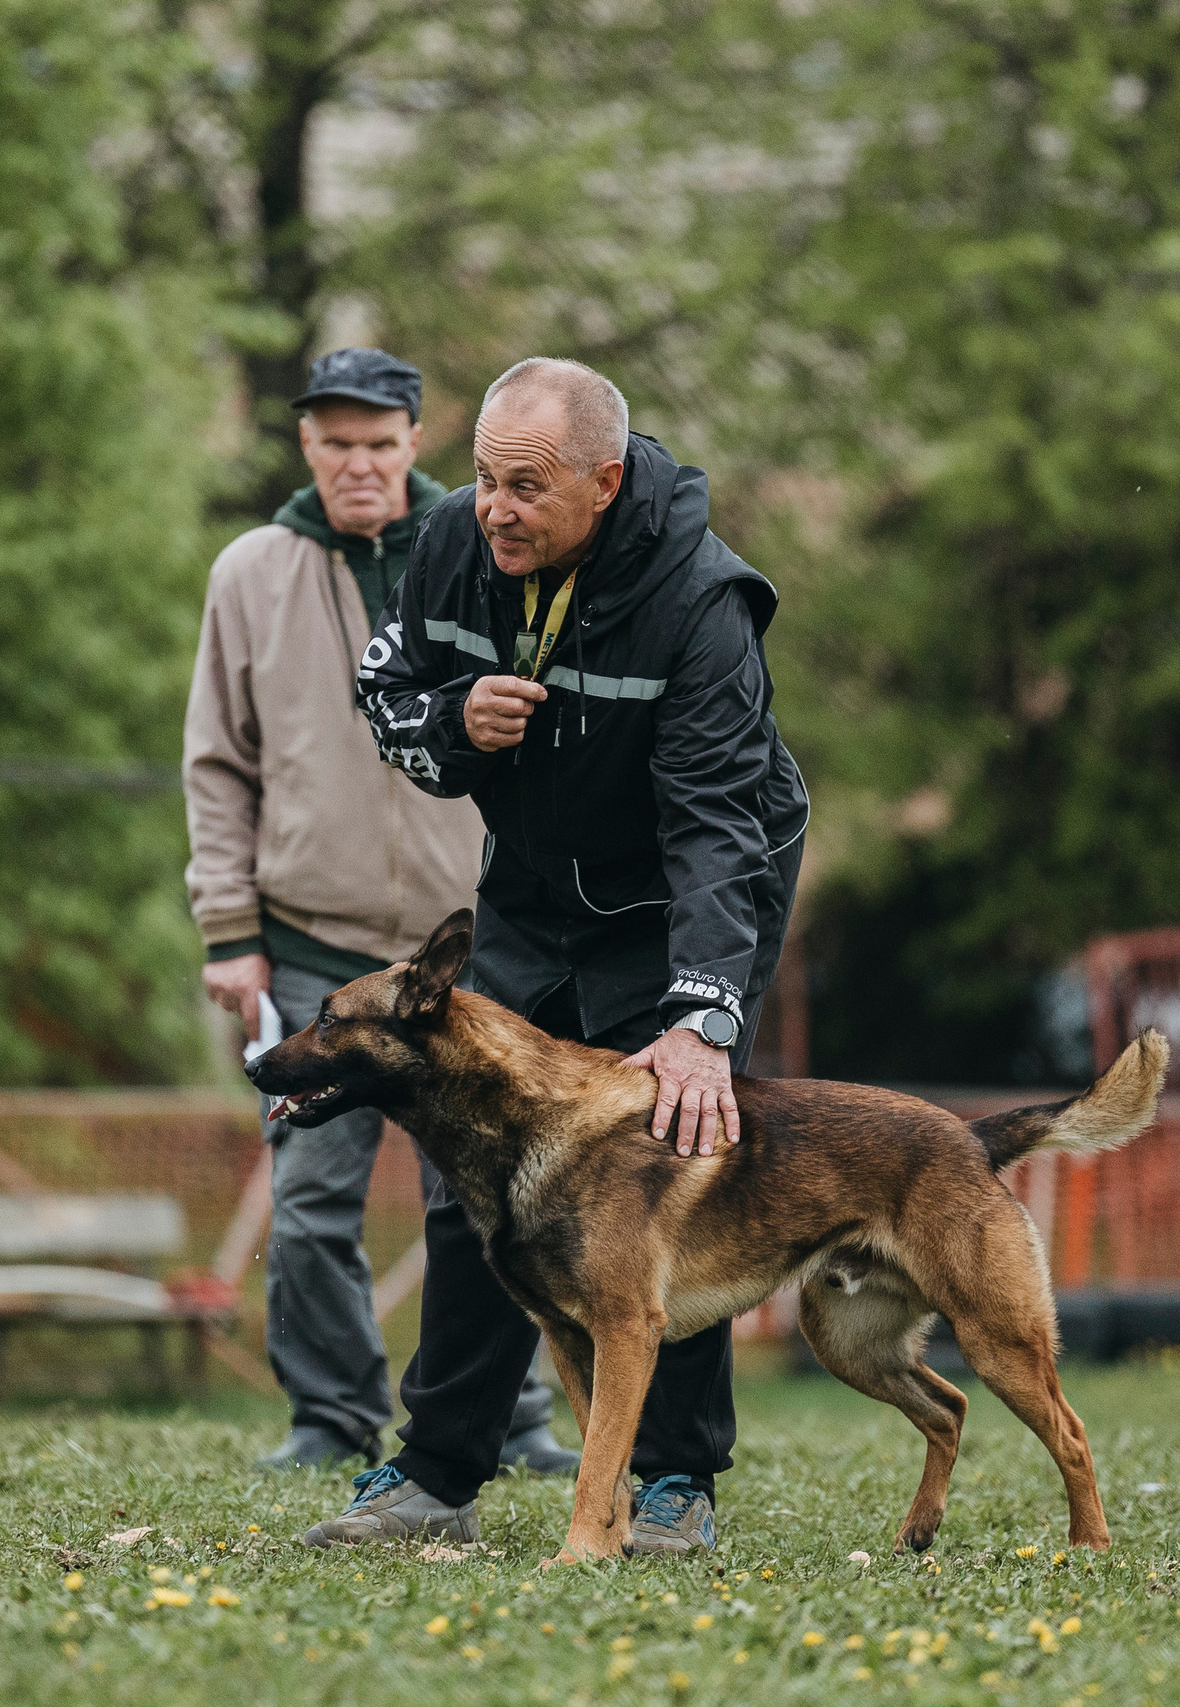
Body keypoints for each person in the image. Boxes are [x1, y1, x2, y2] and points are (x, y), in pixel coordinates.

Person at [306, 357, 808, 1553]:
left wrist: (700, 1019)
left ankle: (677, 1482)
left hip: (681, 898)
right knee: (468, 1162)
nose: (494, 509)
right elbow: (386, 700)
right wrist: (453, 727)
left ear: (605, 481)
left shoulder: (701, 598)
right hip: (531, 890)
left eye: (525, 486)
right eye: (482, 478)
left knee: (665, 1162)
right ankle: (437, 1473)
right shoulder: (444, 544)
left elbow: (715, 826)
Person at [184, 348, 575, 1473]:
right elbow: (219, 764)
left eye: (379, 442)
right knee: (311, 1204)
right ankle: (330, 1419)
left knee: (500, 1195)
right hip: (313, 939)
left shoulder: (481, 547)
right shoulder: (250, 570)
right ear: (306, 445)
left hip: (466, 948)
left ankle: (515, 1422)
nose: (358, 463)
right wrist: (230, 934)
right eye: (335, 442)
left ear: (415, 442)